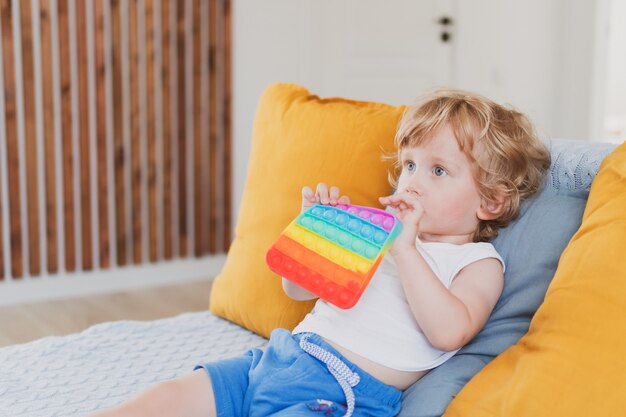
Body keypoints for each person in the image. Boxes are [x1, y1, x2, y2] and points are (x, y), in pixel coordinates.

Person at [91, 89, 551, 417]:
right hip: (278, 358)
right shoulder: (375, 231)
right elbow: (296, 288)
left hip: (341, 393)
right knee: (164, 399)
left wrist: (407, 250)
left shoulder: (476, 263)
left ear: (490, 201)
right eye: (408, 164)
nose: (411, 180)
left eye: (437, 170)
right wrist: (314, 233)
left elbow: (449, 332)